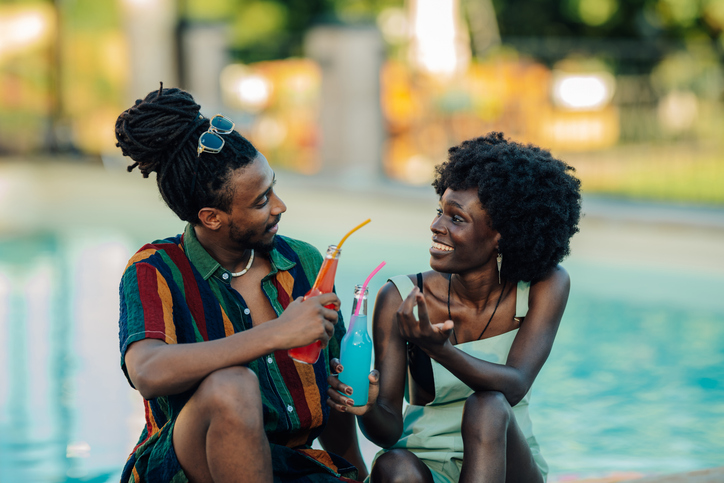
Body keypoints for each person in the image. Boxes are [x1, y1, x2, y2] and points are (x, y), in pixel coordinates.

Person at [114, 84, 366, 483]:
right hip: (187, 467)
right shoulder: (155, 269)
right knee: (232, 386)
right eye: (262, 201)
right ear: (212, 217)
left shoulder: (303, 263)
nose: (280, 206)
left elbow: (331, 390)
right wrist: (276, 333)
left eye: (274, 188)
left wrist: (357, 473)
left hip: (293, 466)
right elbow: (147, 369)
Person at [327, 132, 582, 483]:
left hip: (508, 465)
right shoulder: (400, 297)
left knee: (488, 406)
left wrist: (439, 350)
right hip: (428, 463)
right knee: (393, 466)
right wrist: (367, 408)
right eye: (439, 212)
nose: (436, 227)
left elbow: (515, 385)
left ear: (502, 236)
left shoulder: (544, 285)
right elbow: (387, 431)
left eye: (456, 219)